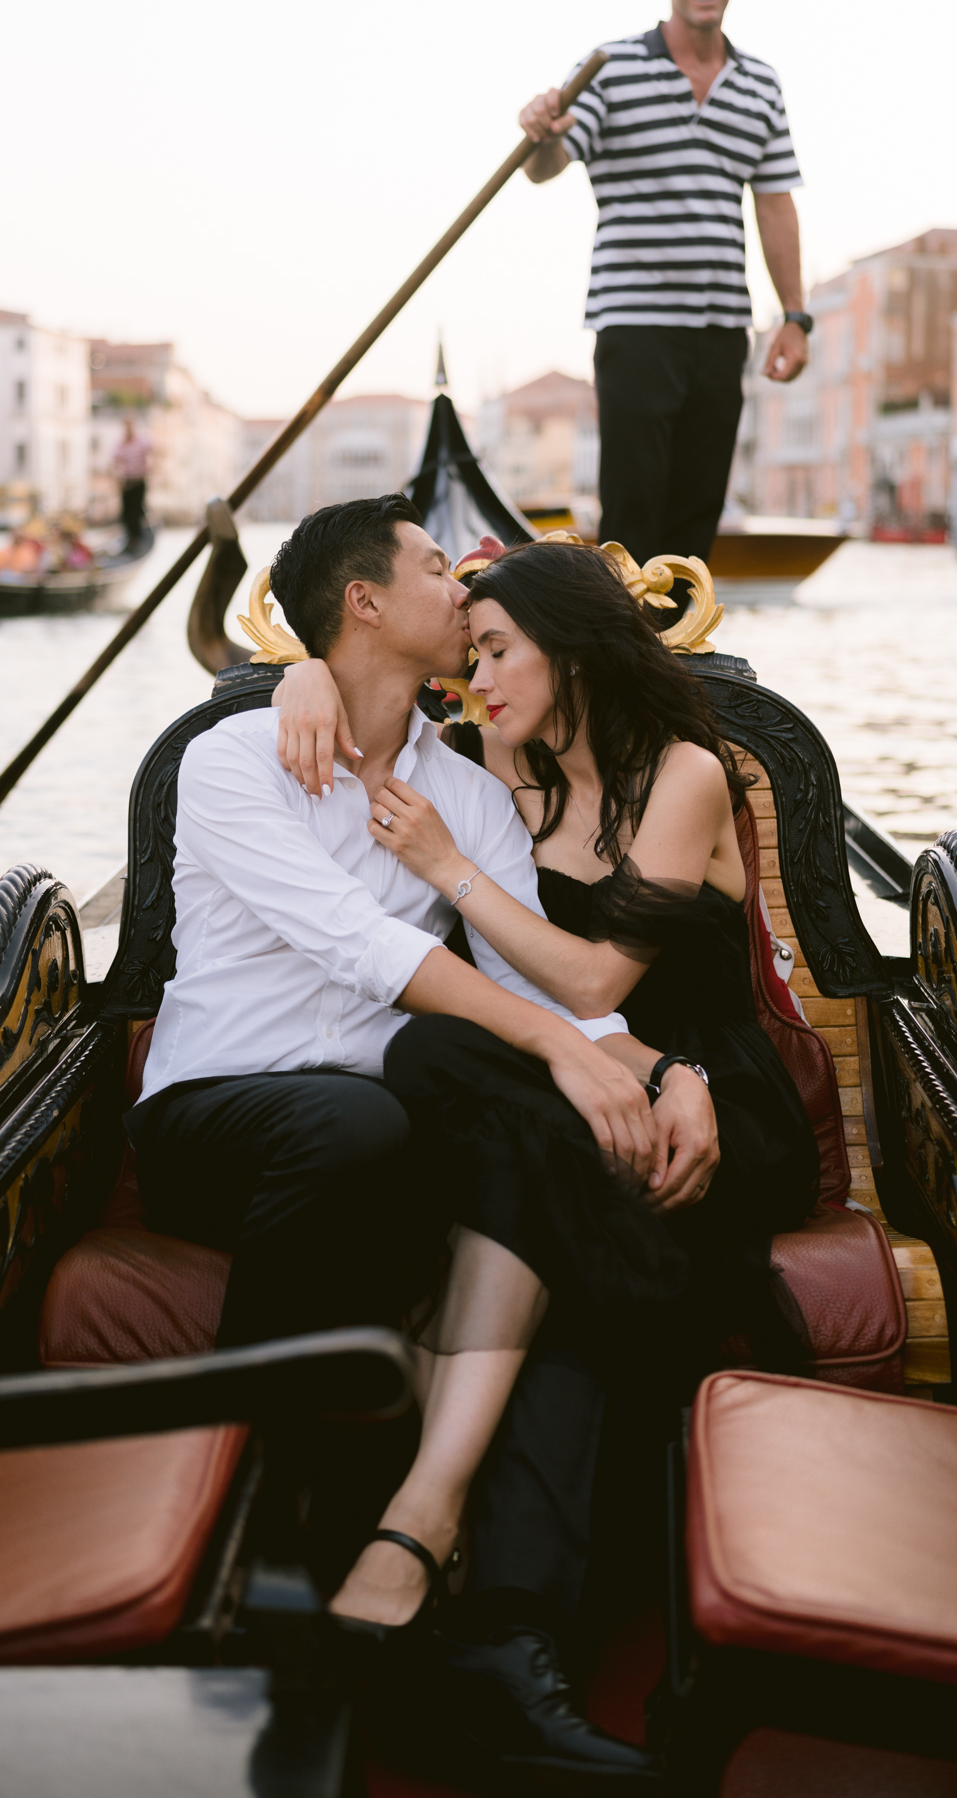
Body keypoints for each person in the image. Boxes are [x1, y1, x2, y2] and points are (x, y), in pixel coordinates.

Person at [127, 494, 687, 1779]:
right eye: (440, 566)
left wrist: (663, 1073)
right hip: (221, 1118)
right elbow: (359, 945)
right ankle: (250, 1542)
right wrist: (550, 1047)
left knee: (548, 1168)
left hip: (378, 1126)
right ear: (363, 603)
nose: (464, 582)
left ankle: (489, 1615)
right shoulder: (232, 762)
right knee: (369, 1121)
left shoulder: (466, 795)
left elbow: (537, 987)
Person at [274, 537, 818, 1772]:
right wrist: (297, 677)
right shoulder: (489, 767)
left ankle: (478, 1595)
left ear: (572, 647)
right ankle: (492, 1620)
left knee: (520, 1173)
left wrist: (448, 870)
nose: (476, 684)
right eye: (469, 661)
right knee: (424, 1064)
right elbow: (366, 710)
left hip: (700, 1095)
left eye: (500, 653)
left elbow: (595, 981)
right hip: (568, 1091)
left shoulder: (680, 774)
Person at [519, 0, 812, 566]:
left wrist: (795, 317)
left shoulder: (761, 85)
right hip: (636, 323)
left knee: (696, 513)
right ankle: (621, 655)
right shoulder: (609, 69)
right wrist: (537, 132)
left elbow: (774, 204)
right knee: (634, 511)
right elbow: (545, 167)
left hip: (721, 331)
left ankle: (679, 656)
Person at [110, 416, 151, 544]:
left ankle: (137, 537)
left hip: (139, 481)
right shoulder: (121, 445)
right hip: (127, 483)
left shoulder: (142, 442)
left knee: (137, 510)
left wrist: (149, 468)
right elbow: (114, 463)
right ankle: (130, 538)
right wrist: (118, 480)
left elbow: (152, 456)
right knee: (127, 512)